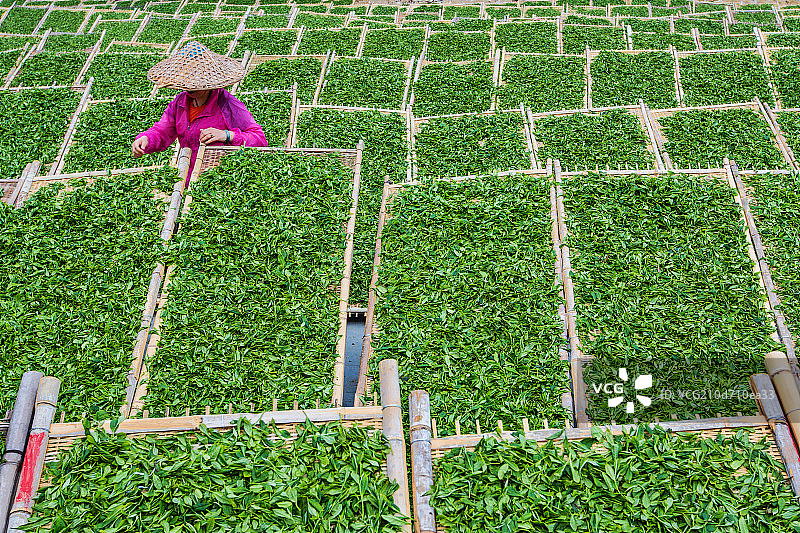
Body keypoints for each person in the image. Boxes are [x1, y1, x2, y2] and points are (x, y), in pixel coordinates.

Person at [132, 41, 267, 184]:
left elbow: (259, 139)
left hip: (221, 180)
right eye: (187, 80)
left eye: (195, 81)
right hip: (190, 177)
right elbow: (163, 131)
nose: (190, 87)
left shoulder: (227, 104)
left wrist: (227, 135)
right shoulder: (180, 103)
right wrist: (146, 139)